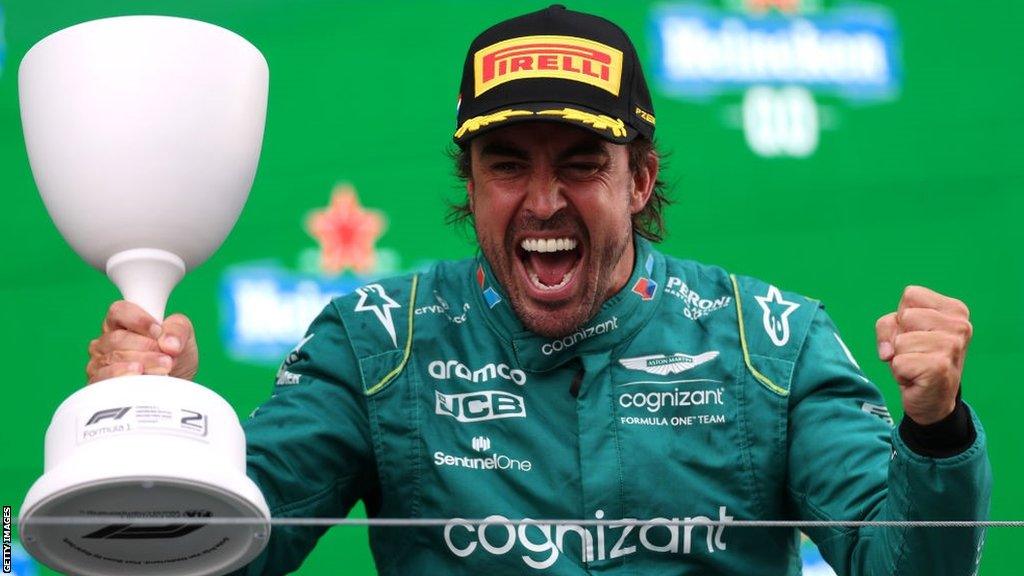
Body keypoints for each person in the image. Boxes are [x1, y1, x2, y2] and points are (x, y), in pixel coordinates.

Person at [87, 5, 990, 575]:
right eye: (508, 164)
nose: (544, 200)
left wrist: (937, 429)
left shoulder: (770, 337)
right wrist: (164, 436)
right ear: (471, 184)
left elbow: (907, 567)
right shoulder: (375, 339)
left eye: (583, 164)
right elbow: (224, 556)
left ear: (639, 183)